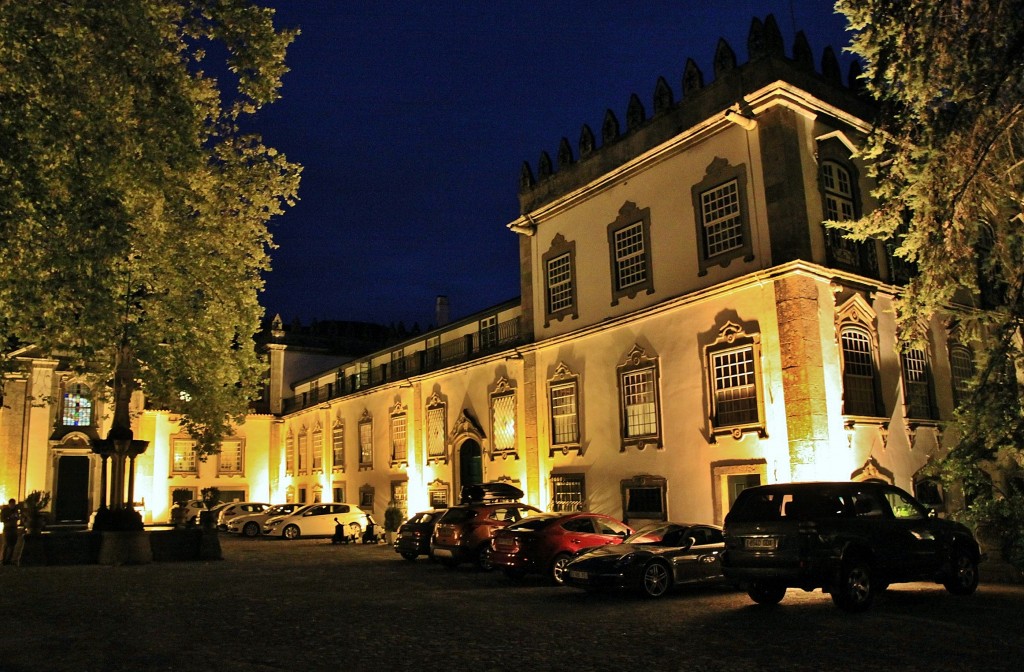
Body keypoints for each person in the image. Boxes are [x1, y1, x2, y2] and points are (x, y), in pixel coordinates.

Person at [1, 498, 20, 565]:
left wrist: (16, 517)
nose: (13, 505)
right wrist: (9, 517)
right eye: (12, 504)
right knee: (6, 544)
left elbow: (18, 518)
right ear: (9, 504)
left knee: (12, 545)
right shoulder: (5, 510)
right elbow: (2, 519)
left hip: (14, 528)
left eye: (14, 504)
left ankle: (9, 559)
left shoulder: (16, 510)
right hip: (7, 528)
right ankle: (3, 560)